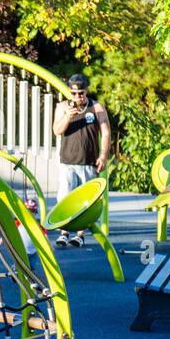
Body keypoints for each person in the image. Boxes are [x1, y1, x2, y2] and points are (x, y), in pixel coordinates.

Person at [52, 73, 111, 248]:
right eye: (74, 94)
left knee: (86, 201)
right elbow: (57, 130)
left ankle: (80, 235)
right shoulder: (63, 107)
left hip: (88, 162)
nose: (78, 97)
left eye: (81, 93)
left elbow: (106, 133)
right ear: (69, 92)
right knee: (65, 198)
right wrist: (68, 117)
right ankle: (64, 232)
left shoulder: (97, 108)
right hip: (68, 162)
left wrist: (103, 156)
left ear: (86, 91)